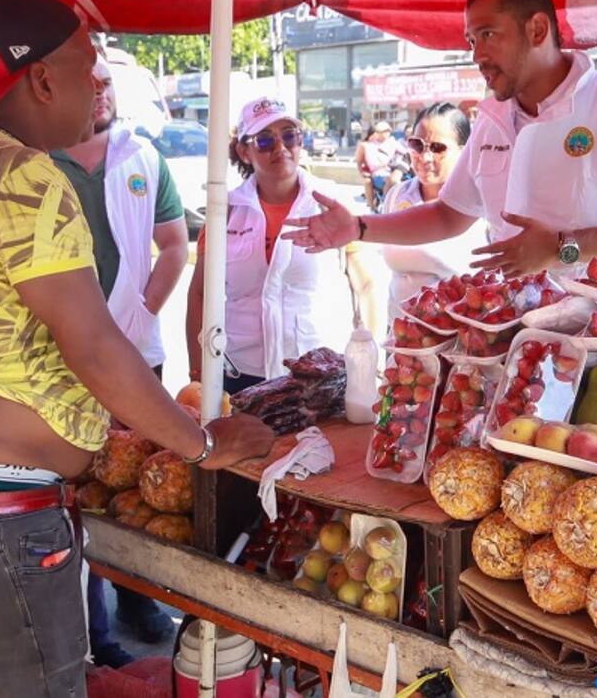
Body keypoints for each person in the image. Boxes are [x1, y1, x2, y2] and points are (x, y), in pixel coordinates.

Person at [0, 0, 275, 697]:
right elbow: (92, 346)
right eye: (88, 65)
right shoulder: (23, 174)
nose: (98, 82)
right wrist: (202, 445)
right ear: (41, 77)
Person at [283, 0, 597, 286]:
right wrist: (359, 227)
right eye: (470, 41)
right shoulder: (492, 119)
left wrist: (562, 248)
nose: (477, 55)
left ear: (536, 30)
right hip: (520, 340)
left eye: (487, 35)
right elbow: (449, 215)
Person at [51, 54, 189, 661]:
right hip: (59, 359)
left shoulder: (143, 158)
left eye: (106, 82)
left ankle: (139, 598)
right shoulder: (36, 162)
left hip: (135, 355)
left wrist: (144, 311)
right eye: (90, 82)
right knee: (76, 488)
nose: (100, 92)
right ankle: (92, 629)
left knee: (137, 482)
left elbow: (175, 243)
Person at [186, 99, 380, 395]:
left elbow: (366, 285)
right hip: (240, 374)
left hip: (321, 373)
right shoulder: (223, 211)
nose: (280, 147)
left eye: (289, 135)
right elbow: (200, 295)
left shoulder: (333, 202)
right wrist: (198, 376)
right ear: (244, 151)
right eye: (264, 140)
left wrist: (369, 364)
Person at [379, 103, 488, 318]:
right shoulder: (397, 196)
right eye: (417, 145)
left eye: (437, 148)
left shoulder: (482, 202)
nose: (425, 157)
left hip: (461, 339)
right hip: (402, 334)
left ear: (465, 150)